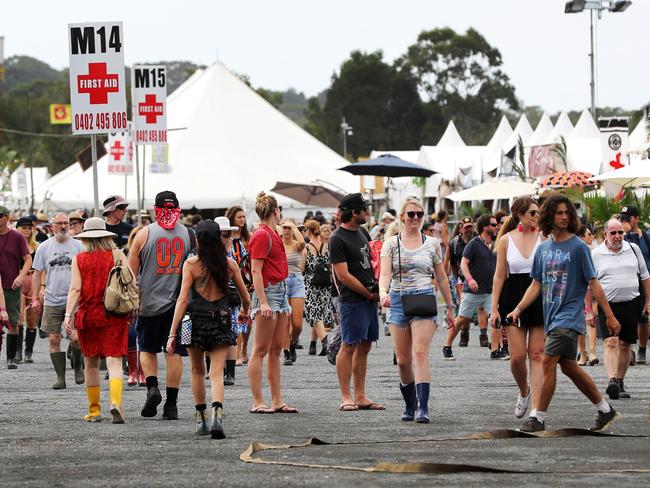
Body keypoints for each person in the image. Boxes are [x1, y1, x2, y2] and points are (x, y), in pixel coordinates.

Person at [508, 195, 622, 432]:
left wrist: (609, 316)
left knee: (547, 361)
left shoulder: (579, 248)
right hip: (551, 317)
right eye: (558, 213)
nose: (563, 217)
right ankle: (605, 410)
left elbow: (594, 283)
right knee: (569, 367)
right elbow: (536, 285)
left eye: (566, 213)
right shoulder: (544, 249)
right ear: (549, 216)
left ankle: (537, 417)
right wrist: (518, 308)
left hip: (569, 317)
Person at [167, 220, 250, 438]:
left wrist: (172, 332)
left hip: (194, 321)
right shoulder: (229, 264)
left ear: (197, 240)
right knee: (216, 372)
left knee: (196, 370)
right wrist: (244, 311)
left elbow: (183, 298)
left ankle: (200, 419)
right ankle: (217, 416)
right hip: (221, 321)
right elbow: (246, 297)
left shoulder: (191, 264)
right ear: (218, 238)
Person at [379, 197, 455, 422]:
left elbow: (441, 276)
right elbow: (384, 274)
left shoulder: (432, 243)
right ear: (402, 216)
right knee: (403, 361)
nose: (415, 218)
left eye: (419, 214)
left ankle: (423, 407)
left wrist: (450, 307)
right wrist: (383, 293)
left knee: (419, 353)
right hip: (397, 301)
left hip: (423, 299)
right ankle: (410, 405)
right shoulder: (391, 243)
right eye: (411, 214)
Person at [128, 191, 192, 420]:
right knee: (174, 352)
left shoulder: (143, 235)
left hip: (148, 303)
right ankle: (171, 405)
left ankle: (152, 387)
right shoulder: (188, 234)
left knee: (146, 348)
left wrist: (131, 301)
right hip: (180, 306)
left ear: (155, 209)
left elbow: (129, 274)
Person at [62, 218, 132, 423]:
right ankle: (116, 403)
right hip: (115, 314)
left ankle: (94, 411)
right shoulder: (117, 254)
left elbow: (75, 289)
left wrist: (68, 315)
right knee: (114, 361)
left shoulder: (79, 258)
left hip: (88, 315)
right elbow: (131, 281)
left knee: (91, 363)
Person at [490, 198, 544, 419]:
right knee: (517, 357)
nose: (536, 216)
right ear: (520, 214)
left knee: (537, 355)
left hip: (539, 295)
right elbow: (500, 275)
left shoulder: (545, 237)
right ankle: (524, 391)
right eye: (532, 212)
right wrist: (494, 308)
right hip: (512, 297)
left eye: (537, 212)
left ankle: (537, 411)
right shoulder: (505, 240)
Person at [330, 193, 384, 412]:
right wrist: (367, 293)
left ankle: (361, 395)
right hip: (353, 300)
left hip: (370, 298)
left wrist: (379, 287)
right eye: (364, 209)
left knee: (365, 346)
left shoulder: (362, 232)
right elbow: (343, 275)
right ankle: (346, 396)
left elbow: (373, 260)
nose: (367, 213)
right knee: (349, 346)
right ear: (354, 213)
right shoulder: (337, 238)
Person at [247, 192, 296, 414]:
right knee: (260, 350)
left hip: (279, 290)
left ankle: (277, 399)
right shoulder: (262, 235)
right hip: (268, 291)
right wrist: (263, 303)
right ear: (276, 211)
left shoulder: (270, 234)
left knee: (276, 349)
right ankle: (258, 400)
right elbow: (255, 271)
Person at [590, 218, 650, 400]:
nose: (617, 236)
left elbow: (645, 275)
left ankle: (619, 381)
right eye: (613, 233)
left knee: (625, 344)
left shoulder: (633, 249)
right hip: (608, 305)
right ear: (605, 234)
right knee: (611, 342)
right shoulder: (595, 254)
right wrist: (587, 309)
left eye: (620, 233)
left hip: (631, 302)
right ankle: (612, 381)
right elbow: (588, 283)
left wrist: (648, 300)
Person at [31, 213, 84, 387]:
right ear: (52, 226)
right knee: (54, 338)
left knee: (75, 338)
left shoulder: (78, 245)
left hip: (74, 299)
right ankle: (60, 377)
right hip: (52, 299)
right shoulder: (44, 247)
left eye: (65, 223)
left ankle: (78, 367)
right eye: (59, 223)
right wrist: (35, 298)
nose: (62, 226)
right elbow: (37, 274)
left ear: (70, 225)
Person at [450, 215, 502, 360]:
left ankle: (494, 349)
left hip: (489, 289)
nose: (496, 226)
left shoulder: (497, 244)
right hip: (470, 287)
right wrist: (467, 279)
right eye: (493, 224)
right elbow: (459, 263)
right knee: (461, 319)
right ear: (485, 227)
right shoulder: (470, 243)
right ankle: (447, 345)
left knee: (495, 317)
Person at [443, 217, 489, 359]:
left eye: (471, 226)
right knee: (463, 314)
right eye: (466, 227)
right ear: (461, 227)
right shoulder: (454, 243)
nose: (469, 229)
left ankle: (484, 336)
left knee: (485, 309)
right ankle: (461, 336)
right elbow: (451, 264)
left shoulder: (480, 240)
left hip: (482, 280)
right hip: (464, 281)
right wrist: (457, 279)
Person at [0, 206, 32, 368]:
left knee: (13, 322)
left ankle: (10, 358)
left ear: (7, 217)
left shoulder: (16, 237)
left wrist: (21, 276)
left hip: (12, 285)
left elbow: (27, 259)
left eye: (0, 216)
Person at [214, 215, 243, 385]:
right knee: (226, 333)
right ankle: (226, 372)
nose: (226, 237)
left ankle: (228, 372)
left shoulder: (208, 250)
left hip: (227, 296)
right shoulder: (234, 248)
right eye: (224, 234)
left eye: (227, 234)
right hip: (230, 295)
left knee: (228, 334)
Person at [619, 205, 650, 365]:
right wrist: (623, 233)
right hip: (625, 281)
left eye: (628, 217)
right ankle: (627, 349)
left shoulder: (646, 237)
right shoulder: (620, 236)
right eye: (622, 217)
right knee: (625, 317)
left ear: (636, 219)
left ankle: (642, 349)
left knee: (643, 319)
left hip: (643, 282)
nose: (624, 220)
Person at [225, 206, 253, 365]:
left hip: (247, 280)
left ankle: (243, 349)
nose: (242, 220)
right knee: (236, 316)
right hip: (232, 282)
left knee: (247, 318)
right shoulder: (227, 238)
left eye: (243, 217)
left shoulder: (248, 237)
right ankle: (237, 352)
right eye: (239, 217)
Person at [303, 220, 332, 356]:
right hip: (326, 284)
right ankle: (312, 345)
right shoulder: (326, 246)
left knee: (314, 315)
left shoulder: (307, 248)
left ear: (308, 231)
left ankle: (326, 342)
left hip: (311, 283)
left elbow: (302, 268)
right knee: (318, 313)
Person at [280, 219, 306, 365]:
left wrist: (294, 226)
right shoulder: (278, 244)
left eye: (289, 228)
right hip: (282, 282)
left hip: (296, 281)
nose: (287, 230)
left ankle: (292, 341)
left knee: (297, 324)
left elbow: (302, 242)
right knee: (285, 321)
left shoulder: (298, 245)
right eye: (284, 228)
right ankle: (286, 352)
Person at [16, 216, 39, 364]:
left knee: (32, 319)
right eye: (24, 227)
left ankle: (28, 351)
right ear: (18, 228)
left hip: (33, 279)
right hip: (18, 279)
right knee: (19, 318)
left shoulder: (37, 246)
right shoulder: (15, 245)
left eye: (29, 227)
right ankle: (17, 351)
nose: (27, 230)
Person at [126, 225, 146, 387]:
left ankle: (143, 372)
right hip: (130, 300)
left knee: (144, 337)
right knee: (131, 334)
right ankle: (132, 370)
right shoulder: (126, 256)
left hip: (147, 299)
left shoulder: (150, 255)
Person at [578, 225, 599, 366]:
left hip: (591, 288)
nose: (591, 236)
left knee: (591, 318)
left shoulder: (595, 252)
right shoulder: (575, 251)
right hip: (577, 290)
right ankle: (583, 353)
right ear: (581, 237)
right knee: (580, 321)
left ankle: (592, 352)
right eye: (588, 234)